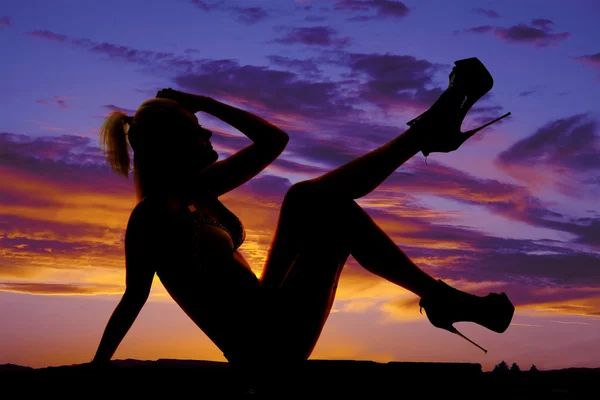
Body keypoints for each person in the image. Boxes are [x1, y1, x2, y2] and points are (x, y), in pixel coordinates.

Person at [92, 57, 514, 375]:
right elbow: (134, 298)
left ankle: (428, 139)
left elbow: (274, 140)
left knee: (310, 200)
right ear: (173, 146)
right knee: (323, 206)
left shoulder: (200, 191)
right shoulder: (151, 216)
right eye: (194, 129)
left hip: (270, 309)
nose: (206, 132)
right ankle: (428, 137)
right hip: (263, 348)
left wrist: (202, 102)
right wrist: (97, 369)